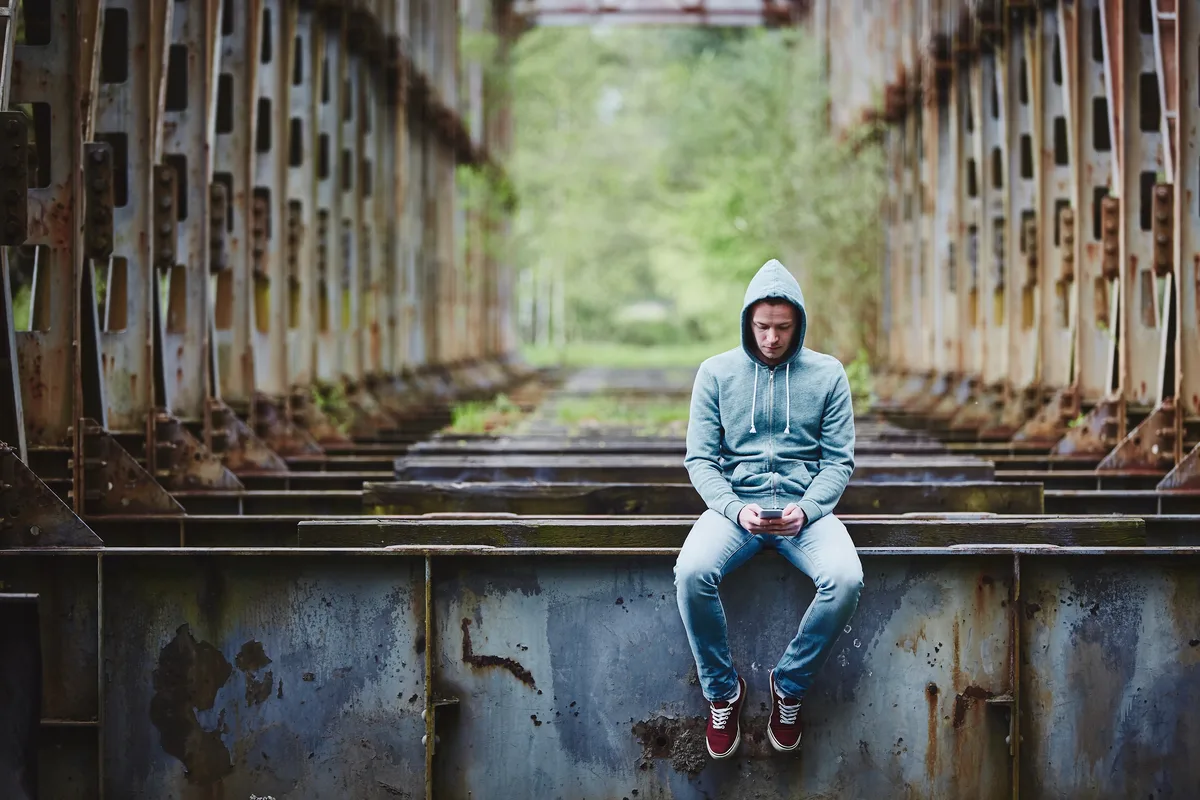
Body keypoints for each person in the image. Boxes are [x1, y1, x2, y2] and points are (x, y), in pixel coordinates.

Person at [675, 258, 863, 759]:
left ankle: (789, 686)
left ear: (798, 323)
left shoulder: (828, 374)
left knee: (845, 578)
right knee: (692, 572)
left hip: (805, 514)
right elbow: (699, 459)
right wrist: (735, 510)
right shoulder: (715, 373)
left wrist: (810, 508)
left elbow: (839, 461)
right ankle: (722, 692)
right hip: (736, 511)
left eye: (783, 327)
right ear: (747, 321)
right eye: (762, 326)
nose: (772, 338)